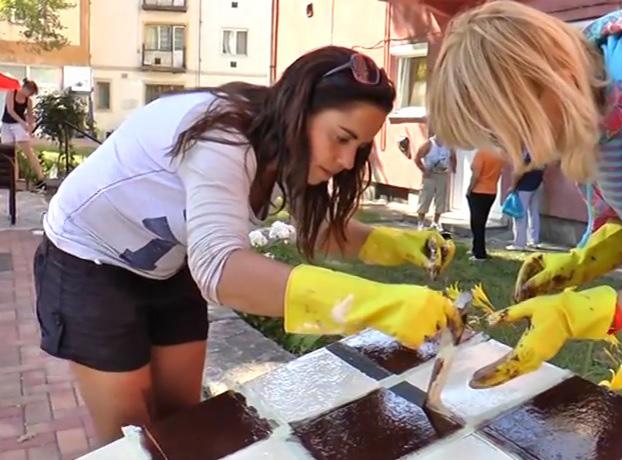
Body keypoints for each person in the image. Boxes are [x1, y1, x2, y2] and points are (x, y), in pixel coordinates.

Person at [34, 46, 458, 444]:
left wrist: (399, 244)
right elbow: (220, 271)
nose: (347, 161)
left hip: (168, 263)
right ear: (299, 110)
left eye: (359, 147)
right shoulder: (222, 136)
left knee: (184, 421)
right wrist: (378, 305)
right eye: (342, 138)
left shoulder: (281, 142)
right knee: (131, 437)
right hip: (86, 261)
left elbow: (322, 225)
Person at [428, 1, 622, 448]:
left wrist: (582, 313)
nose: (512, 156)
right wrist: (583, 261)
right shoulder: (591, 109)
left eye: (502, 133)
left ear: (545, 82)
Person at [1, 78, 46, 189]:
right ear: (25, 88)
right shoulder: (12, 92)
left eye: (31, 94)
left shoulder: (28, 101)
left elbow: (30, 116)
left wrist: (30, 126)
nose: (29, 95)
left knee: (28, 152)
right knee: (10, 154)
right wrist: (23, 122)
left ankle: (41, 179)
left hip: (19, 126)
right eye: (29, 92)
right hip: (7, 124)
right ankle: (13, 181)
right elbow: (11, 110)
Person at [414, 134, 457, 230]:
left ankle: (436, 222)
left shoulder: (449, 144)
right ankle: (421, 222)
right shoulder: (429, 143)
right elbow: (417, 158)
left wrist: (453, 169)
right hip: (430, 174)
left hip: (442, 174)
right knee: (425, 197)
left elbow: (453, 157)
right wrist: (424, 170)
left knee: (440, 199)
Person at [467, 148, 503, 261]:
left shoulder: (482, 153)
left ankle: (479, 254)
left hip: (478, 191)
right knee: (481, 223)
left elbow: (476, 175)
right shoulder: (500, 154)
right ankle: (476, 248)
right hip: (491, 191)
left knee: (476, 224)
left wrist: (469, 189)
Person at [506, 158, 544, 251]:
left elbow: (518, 172)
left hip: (524, 187)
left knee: (520, 214)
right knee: (534, 213)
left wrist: (513, 186)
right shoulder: (541, 152)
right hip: (537, 184)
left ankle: (519, 243)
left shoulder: (524, 153)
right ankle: (533, 240)